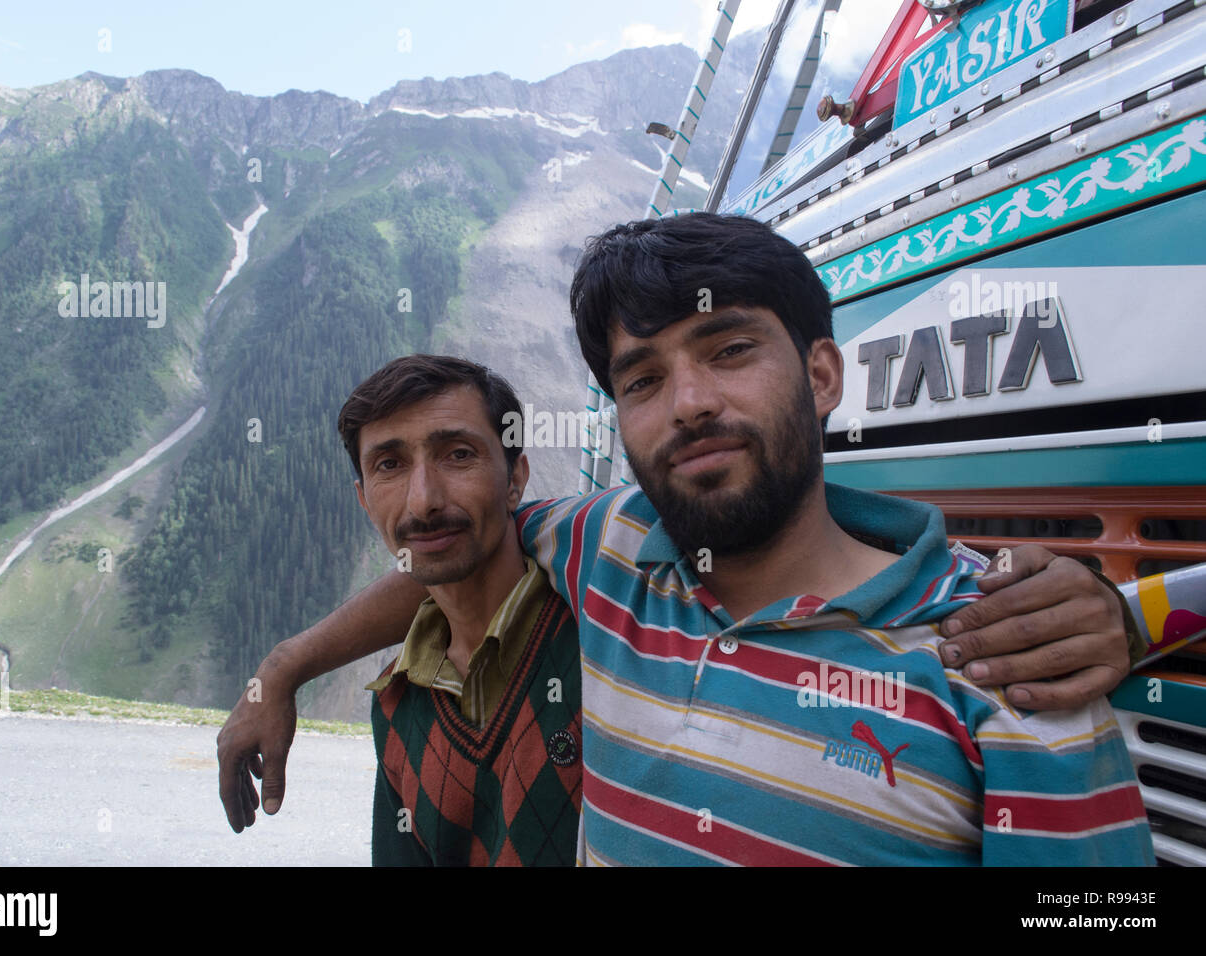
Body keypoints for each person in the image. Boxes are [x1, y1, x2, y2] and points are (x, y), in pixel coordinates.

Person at [217, 214, 1147, 864]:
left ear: (822, 374)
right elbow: (449, 551)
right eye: (643, 379)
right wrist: (283, 670)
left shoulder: (1009, 661)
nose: (691, 402)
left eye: (730, 349)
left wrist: (1121, 612)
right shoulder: (608, 548)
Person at [340, 355, 581, 865]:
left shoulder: (599, 642)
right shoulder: (396, 707)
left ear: (515, 477)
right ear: (363, 501)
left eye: (458, 454)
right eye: (389, 465)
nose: (423, 500)